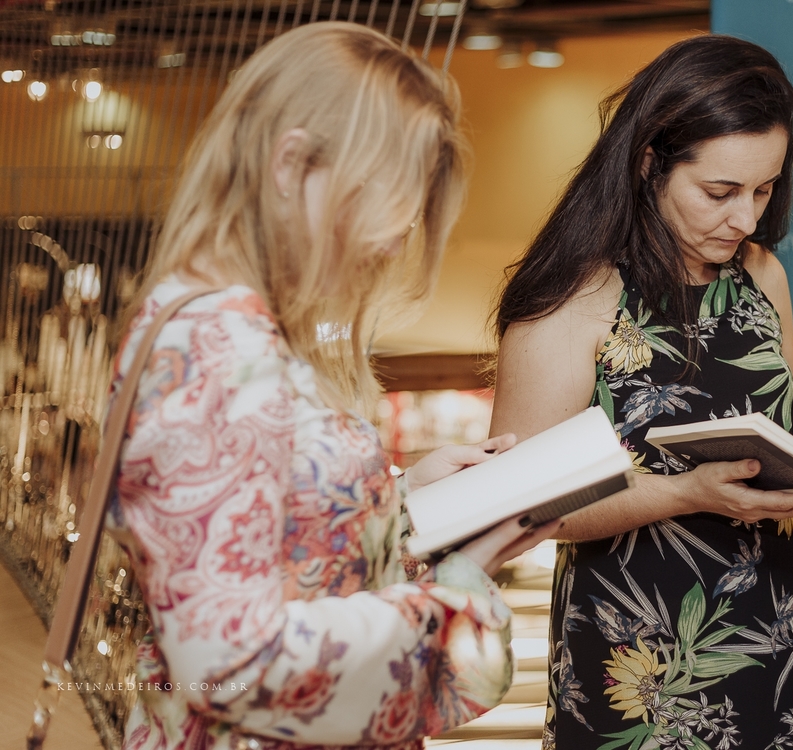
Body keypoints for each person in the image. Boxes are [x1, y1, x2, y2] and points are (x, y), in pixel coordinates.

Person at [107, 22, 558, 750]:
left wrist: (397, 503)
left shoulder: (219, 321)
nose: (396, 236)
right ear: (291, 166)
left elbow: (260, 541)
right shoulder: (219, 345)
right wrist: (457, 593)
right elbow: (230, 662)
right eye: (390, 200)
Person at [490, 35, 793, 749]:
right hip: (639, 668)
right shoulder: (572, 301)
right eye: (720, 192)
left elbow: (781, 425)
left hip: (786, 638)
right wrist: (686, 493)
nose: (747, 219)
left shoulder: (762, 276)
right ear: (647, 164)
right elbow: (525, 508)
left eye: (765, 190)